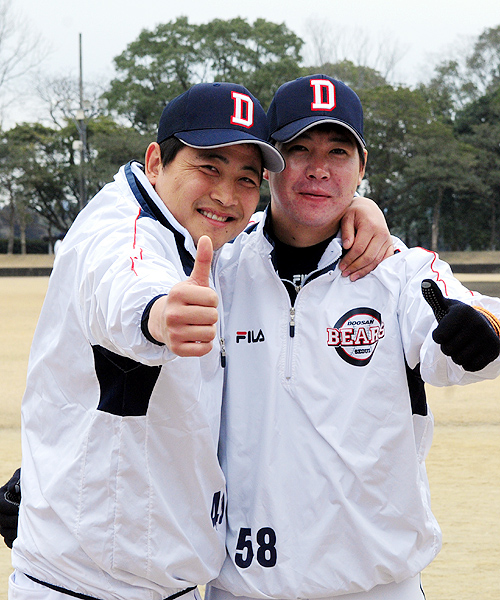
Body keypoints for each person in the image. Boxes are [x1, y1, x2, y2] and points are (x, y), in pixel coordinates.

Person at [3, 80, 393, 600]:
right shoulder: (123, 232)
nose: (226, 195)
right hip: (87, 584)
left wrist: (354, 209)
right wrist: (160, 314)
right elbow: (126, 285)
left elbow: (280, 227)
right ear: (156, 162)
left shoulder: (203, 239)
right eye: (209, 166)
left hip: (166, 575)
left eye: (245, 178)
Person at [203, 75, 500, 600]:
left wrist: (483, 332)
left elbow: (462, 326)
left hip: (379, 587)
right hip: (243, 585)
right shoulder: (218, 267)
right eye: (300, 149)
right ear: (271, 163)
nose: (319, 168)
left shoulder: (402, 271)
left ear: (362, 167)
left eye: (338, 151)